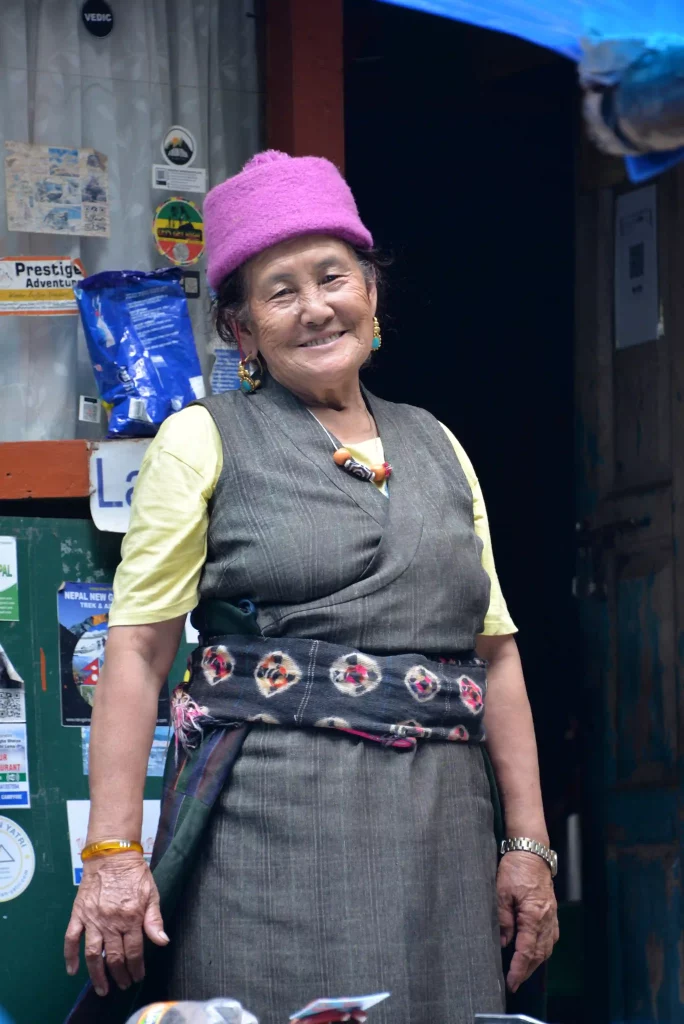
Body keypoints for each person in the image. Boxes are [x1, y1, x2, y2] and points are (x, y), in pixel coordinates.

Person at [64, 150, 558, 1024]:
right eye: (280, 291)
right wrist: (113, 853)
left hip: (444, 837)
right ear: (242, 329)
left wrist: (528, 849)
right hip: (269, 841)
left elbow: (497, 656)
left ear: (372, 293)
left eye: (333, 277)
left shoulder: (439, 445)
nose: (316, 307)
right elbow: (140, 652)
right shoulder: (203, 439)